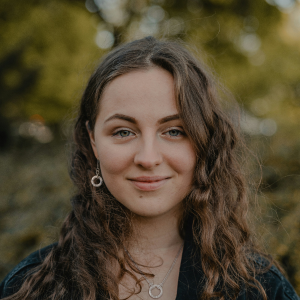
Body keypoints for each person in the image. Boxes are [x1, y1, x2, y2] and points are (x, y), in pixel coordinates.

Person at [0, 36, 299, 300]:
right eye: (123, 132)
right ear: (93, 141)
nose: (148, 157)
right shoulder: (31, 286)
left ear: (204, 141)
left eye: (174, 131)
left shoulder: (259, 288)